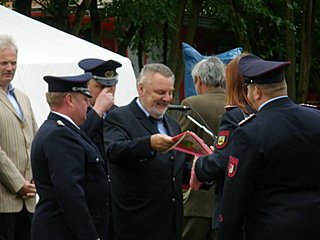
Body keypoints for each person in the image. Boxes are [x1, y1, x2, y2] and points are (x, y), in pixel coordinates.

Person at [217, 54, 320, 240]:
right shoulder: (316, 119)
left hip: (270, 230)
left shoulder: (250, 131)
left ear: (256, 91)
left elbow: (235, 200)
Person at [103, 63, 186, 240]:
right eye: (160, 92)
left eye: (170, 92)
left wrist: (203, 164)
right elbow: (114, 151)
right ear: (141, 89)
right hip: (137, 225)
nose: (167, 98)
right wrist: (149, 144)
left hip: (171, 226)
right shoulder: (119, 117)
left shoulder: (173, 124)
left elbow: (176, 169)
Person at [31, 73, 108, 240]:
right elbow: (70, 192)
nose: (88, 105)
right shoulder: (60, 135)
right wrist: (90, 236)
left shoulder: (65, 131)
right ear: (69, 100)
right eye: (85, 100)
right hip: (64, 231)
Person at [189, 54, 254, 238]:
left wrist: (198, 166)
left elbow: (220, 160)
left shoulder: (232, 114)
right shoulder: (264, 114)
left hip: (222, 205)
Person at [176, 57, 226, 240]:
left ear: (198, 80)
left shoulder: (191, 104)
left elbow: (180, 146)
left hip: (198, 199)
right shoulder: (240, 105)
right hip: (228, 199)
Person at [78, 58, 122, 239]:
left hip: (117, 206)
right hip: (90, 206)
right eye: (100, 88)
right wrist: (97, 111)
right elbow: (77, 142)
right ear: (86, 86)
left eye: (111, 88)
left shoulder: (120, 116)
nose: (107, 93)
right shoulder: (78, 115)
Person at [0, 35, 37, 240]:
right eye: (3, 63)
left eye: (13, 62)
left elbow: (36, 139)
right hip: (4, 203)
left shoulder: (23, 97)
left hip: (29, 201)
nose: (10, 68)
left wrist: (36, 178)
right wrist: (18, 184)